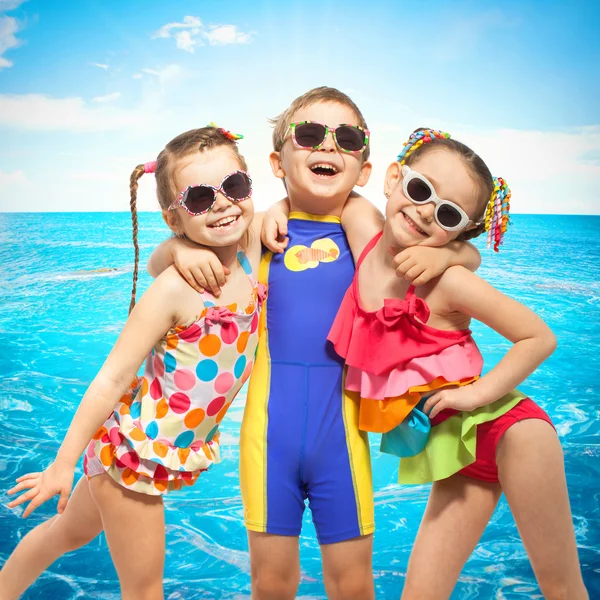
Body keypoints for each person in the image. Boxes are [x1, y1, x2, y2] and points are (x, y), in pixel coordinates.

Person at [148, 90, 480, 600]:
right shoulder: (253, 234)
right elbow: (171, 261)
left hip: (341, 441)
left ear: (366, 170)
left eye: (346, 140)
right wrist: (176, 248)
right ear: (278, 161)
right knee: (272, 583)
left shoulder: (374, 235)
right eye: (308, 135)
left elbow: (453, 248)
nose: (327, 146)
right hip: (268, 442)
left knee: (352, 583)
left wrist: (451, 258)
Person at [0, 125, 266, 600]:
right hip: (135, 458)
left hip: (140, 453)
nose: (224, 203)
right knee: (144, 589)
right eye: (201, 198)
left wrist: (175, 246)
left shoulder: (249, 252)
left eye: (235, 186)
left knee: (67, 535)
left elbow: (290, 213)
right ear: (174, 217)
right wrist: (62, 464)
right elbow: (112, 378)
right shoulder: (176, 289)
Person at [328, 128, 588, 600]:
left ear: (460, 230)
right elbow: (324, 197)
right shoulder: (362, 232)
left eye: (447, 214)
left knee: (561, 588)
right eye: (420, 189)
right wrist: (273, 219)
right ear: (392, 179)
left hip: (513, 434)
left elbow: (538, 336)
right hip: (455, 450)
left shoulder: (448, 281)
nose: (426, 210)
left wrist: (476, 394)